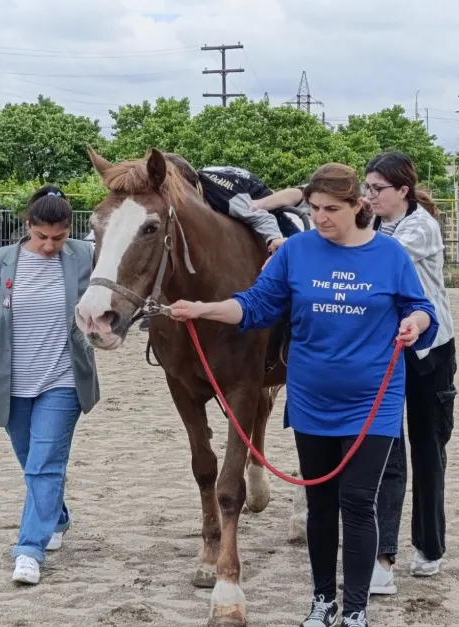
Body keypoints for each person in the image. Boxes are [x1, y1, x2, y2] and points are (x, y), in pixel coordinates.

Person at [169, 163, 440, 627]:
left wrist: (416, 323)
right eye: (313, 208)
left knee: (357, 503)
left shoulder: (390, 255)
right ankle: (322, 602)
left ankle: (355, 609)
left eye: (331, 209)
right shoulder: (296, 252)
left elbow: (420, 307)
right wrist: (203, 309)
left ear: (359, 206)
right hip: (312, 399)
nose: (320, 217)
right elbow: (255, 306)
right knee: (321, 505)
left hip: (373, 400)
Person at [0, 186, 100, 586]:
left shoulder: (86, 257)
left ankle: (29, 550)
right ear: (27, 226)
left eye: (59, 238)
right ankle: (58, 517)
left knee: (44, 464)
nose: (50, 246)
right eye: (42, 237)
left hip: (63, 380)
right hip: (10, 382)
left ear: (70, 231)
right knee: (31, 464)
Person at [363, 151, 457, 594]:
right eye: (366, 188)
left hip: (430, 350)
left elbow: (377, 258)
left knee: (428, 447)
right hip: (386, 349)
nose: (369, 196)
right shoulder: (374, 223)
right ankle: (383, 553)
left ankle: (429, 545)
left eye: (376, 189)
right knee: (386, 449)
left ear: (402, 191)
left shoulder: (421, 226)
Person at [163, 154, 303, 253]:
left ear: (187, 184)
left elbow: (261, 217)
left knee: (297, 246)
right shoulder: (200, 182)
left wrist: (275, 240)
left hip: (254, 196)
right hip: (236, 184)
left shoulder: (220, 195)